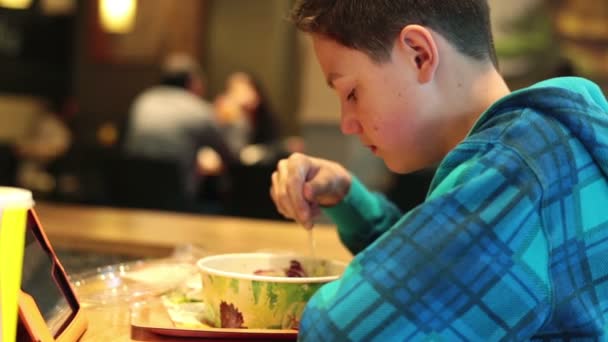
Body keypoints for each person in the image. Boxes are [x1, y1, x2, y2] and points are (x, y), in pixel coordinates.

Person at [269, 0, 608, 340]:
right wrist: (347, 198)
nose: (347, 123)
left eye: (351, 93)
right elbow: (447, 275)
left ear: (419, 54)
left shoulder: (514, 172)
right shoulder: (546, 143)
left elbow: (337, 331)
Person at [123, 53, 237, 201]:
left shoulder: (143, 101)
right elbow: (227, 155)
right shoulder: (197, 108)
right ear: (193, 82)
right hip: (177, 200)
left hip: (131, 194)